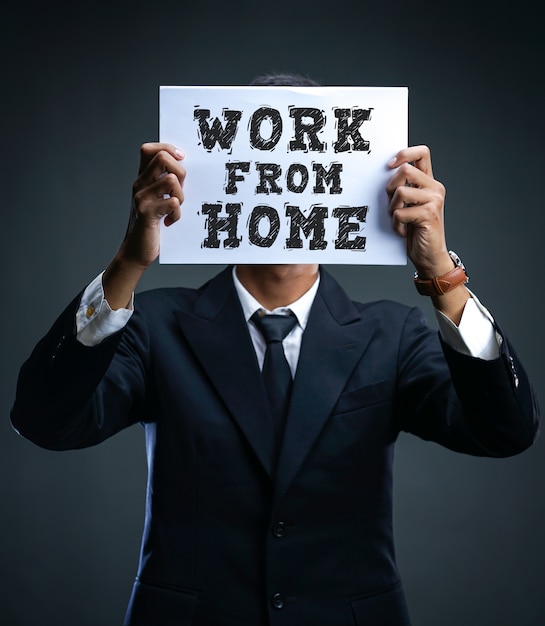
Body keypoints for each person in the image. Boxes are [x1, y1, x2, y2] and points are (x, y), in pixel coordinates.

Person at [11, 73, 540, 626]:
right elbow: (44, 420)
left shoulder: (393, 336)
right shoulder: (156, 326)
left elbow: (506, 430)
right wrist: (129, 262)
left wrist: (442, 274)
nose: (285, 197)